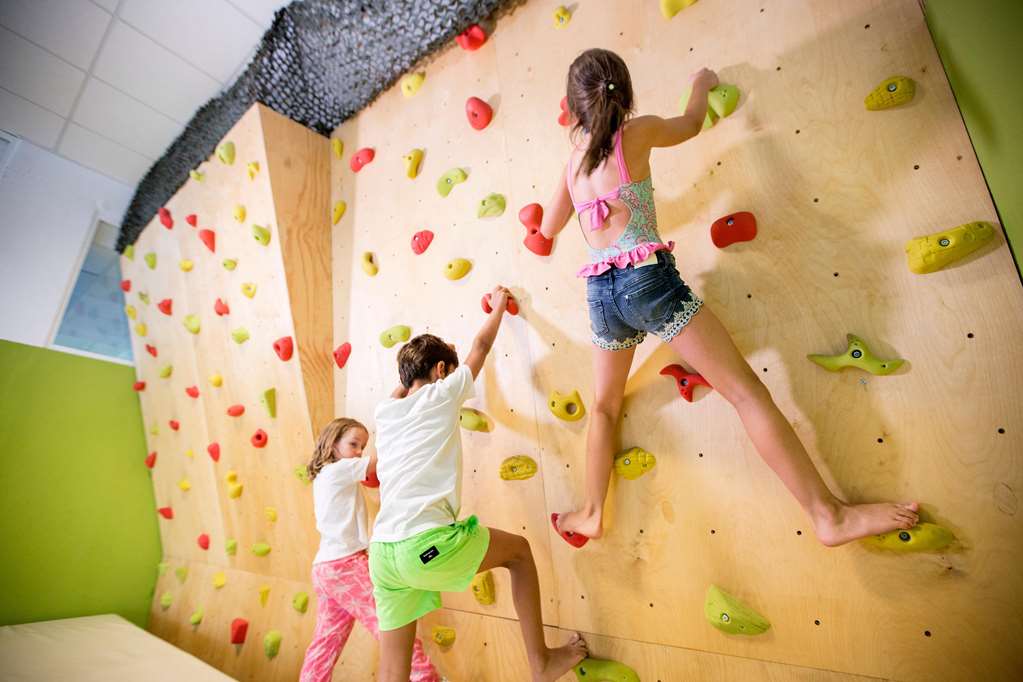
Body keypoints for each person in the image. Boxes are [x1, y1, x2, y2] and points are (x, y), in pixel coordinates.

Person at [541, 48, 919, 547]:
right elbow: (691, 123)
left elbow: (548, 228)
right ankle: (827, 516)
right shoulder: (637, 133)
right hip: (647, 283)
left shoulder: (571, 165)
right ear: (625, 95)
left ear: (573, 108)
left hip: (602, 296)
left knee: (604, 407)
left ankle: (590, 512)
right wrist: (701, 84)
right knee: (745, 393)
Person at [369, 286, 588, 682]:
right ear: (441, 371)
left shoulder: (386, 412)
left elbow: (406, 384)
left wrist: (423, 365)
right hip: (423, 545)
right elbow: (481, 346)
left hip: (383, 555)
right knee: (519, 553)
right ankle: (541, 663)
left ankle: (542, 662)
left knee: (391, 670)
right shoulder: (442, 393)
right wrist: (499, 306)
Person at [299, 418, 439, 682]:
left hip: (325, 568)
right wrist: (401, 422)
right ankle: (425, 677)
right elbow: (376, 463)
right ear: (333, 444)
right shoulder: (338, 469)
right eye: (353, 444)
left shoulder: (325, 476)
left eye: (362, 447)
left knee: (325, 643)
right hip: (346, 566)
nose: (358, 452)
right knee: (394, 626)